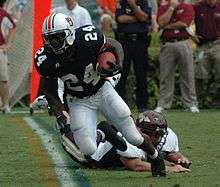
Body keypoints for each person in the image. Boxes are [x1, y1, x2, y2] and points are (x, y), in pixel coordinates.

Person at [34, 13, 166, 177]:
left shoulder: (89, 37)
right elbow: (50, 90)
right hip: (78, 100)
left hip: (102, 90)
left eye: (58, 37)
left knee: (133, 136)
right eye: (50, 38)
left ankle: (155, 156)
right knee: (88, 149)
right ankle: (104, 132)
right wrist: (61, 115)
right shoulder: (45, 59)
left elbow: (114, 46)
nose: (53, 42)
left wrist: (115, 63)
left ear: (69, 33)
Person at [60, 111, 191, 173]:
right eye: (155, 134)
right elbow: (134, 165)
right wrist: (170, 169)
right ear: (142, 132)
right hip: (89, 153)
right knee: (66, 127)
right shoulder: (132, 139)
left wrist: (181, 159)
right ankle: (61, 116)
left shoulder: (165, 136)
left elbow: (170, 152)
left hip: (105, 137)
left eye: (160, 134)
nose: (159, 138)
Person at [154, 0, 199, 113]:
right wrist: (171, 8)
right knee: (165, 75)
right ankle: (163, 104)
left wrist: (167, 26)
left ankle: (190, 104)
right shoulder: (164, 8)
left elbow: (184, 23)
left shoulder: (187, 7)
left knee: (188, 75)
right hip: (167, 43)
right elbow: (161, 23)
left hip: (183, 42)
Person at [115, 0, 151, 112]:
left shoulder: (144, 2)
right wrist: (138, 17)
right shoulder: (121, 2)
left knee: (141, 74)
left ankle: (142, 105)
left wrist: (133, 5)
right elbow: (120, 19)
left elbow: (145, 18)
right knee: (122, 74)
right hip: (124, 42)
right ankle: (121, 105)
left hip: (140, 41)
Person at [194, 0, 220, 107]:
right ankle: (199, 102)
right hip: (203, 45)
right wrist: (192, 35)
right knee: (198, 71)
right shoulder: (198, 7)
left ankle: (217, 100)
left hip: (218, 43)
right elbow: (188, 21)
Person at [0, 0, 16, 113]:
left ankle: (6, 105)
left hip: (0, 49)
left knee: (3, 79)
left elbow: (13, 27)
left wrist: (8, 44)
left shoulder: (2, 13)